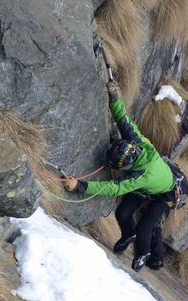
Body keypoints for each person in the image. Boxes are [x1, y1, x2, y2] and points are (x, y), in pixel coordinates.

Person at [63, 81, 178, 272]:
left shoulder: (142, 175)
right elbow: (123, 119)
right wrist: (114, 96)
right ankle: (128, 235)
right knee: (123, 213)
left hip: (163, 195)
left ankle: (142, 255)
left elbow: (114, 187)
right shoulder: (138, 143)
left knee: (146, 227)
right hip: (148, 186)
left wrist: (80, 186)